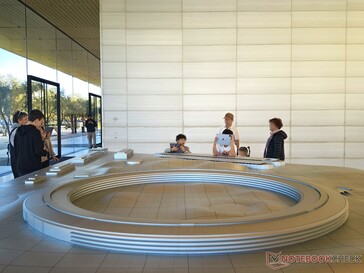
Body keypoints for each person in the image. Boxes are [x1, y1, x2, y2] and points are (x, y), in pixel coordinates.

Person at [14, 109, 47, 177]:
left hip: (21, 167)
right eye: (41, 122)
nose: (41, 125)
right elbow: (38, 151)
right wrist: (45, 151)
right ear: (36, 120)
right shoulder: (35, 132)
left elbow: (16, 150)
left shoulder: (18, 131)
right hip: (33, 167)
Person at [8, 111, 28, 178]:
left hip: (17, 161)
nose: (27, 121)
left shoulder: (15, 130)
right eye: (25, 119)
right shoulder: (18, 131)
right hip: (17, 161)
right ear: (19, 120)